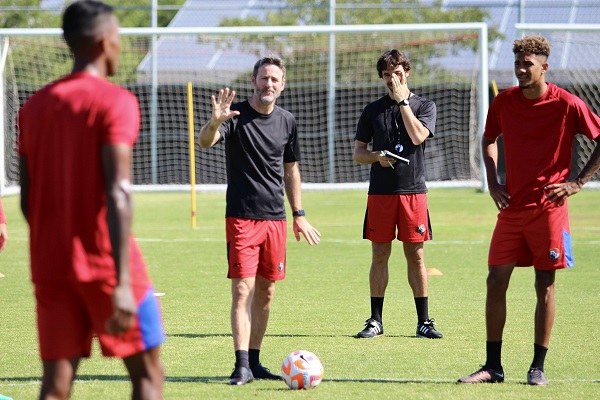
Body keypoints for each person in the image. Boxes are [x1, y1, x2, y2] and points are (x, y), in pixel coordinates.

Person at [18, 1, 165, 399]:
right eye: (120, 38)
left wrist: (58, 248)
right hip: (107, 266)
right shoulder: (115, 101)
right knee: (149, 377)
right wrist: (119, 283)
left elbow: (27, 199)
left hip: (51, 265)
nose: (122, 47)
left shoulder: (32, 108)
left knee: (55, 386)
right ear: (104, 41)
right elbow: (118, 191)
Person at [457, 35, 600, 386]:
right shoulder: (504, 101)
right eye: (517, 63)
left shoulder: (567, 103)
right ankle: (493, 366)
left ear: (544, 67)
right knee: (495, 281)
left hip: (549, 210)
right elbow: (488, 139)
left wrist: (577, 182)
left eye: (528, 64)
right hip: (511, 208)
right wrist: (492, 180)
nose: (521, 70)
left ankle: (537, 367)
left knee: (545, 284)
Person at [198, 56, 321, 386]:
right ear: (254, 80)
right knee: (242, 291)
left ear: (283, 84)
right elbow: (205, 142)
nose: (269, 84)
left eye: (275, 80)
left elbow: (291, 169)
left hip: (276, 221)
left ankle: (254, 361)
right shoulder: (235, 115)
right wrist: (213, 122)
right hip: (242, 218)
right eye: (264, 78)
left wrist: (299, 215)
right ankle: (240, 366)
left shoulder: (287, 121)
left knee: (265, 295)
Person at [353, 49, 442, 340]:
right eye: (387, 74)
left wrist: (403, 101)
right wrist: (376, 156)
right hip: (380, 193)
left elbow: (417, 137)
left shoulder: (424, 105)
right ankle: (375, 321)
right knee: (379, 255)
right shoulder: (372, 110)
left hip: (413, 192)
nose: (393, 78)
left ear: (407, 71)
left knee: (415, 256)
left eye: (398, 72)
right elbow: (358, 153)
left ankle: (424, 322)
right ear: (382, 77)